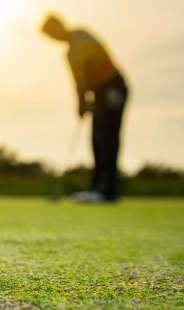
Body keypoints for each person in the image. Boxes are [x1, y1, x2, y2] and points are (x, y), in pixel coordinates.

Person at [42, 14, 129, 203]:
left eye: (52, 32)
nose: (53, 38)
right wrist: (82, 103)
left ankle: (109, 191)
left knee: (108, 137)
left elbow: (87, 70)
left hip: (113, 86)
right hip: (99, 93)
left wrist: (84, 99)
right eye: (50, 36)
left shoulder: (81, 35)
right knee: (97, 139)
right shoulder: (68, 53)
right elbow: (78, 82)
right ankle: (98, 188)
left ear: (60, 24)